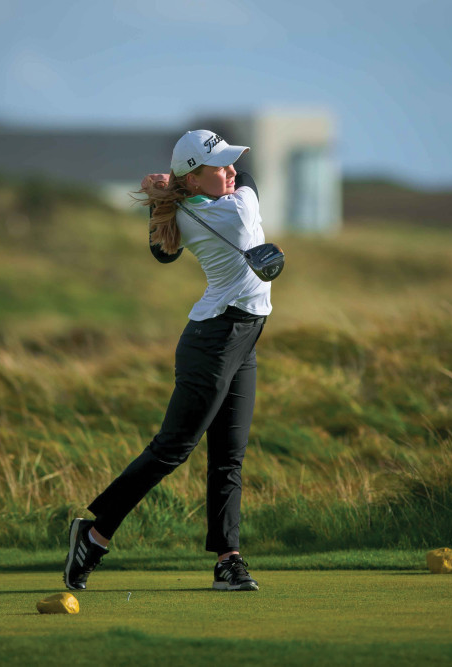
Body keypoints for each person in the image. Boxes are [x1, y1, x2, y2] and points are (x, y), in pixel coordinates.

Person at [63, 130, 272, 592]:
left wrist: (168, 194)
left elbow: (161, 252)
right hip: (215, 341)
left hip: (240, 337)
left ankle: (228, 561)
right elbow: (253, 180)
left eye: (231, 164)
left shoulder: (186, 210)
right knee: (172, 449)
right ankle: (94, 535)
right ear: (195, 178)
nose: (233, 171)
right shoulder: (238, 209)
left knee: (229, 456)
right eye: (221, 167)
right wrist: (170, 189)